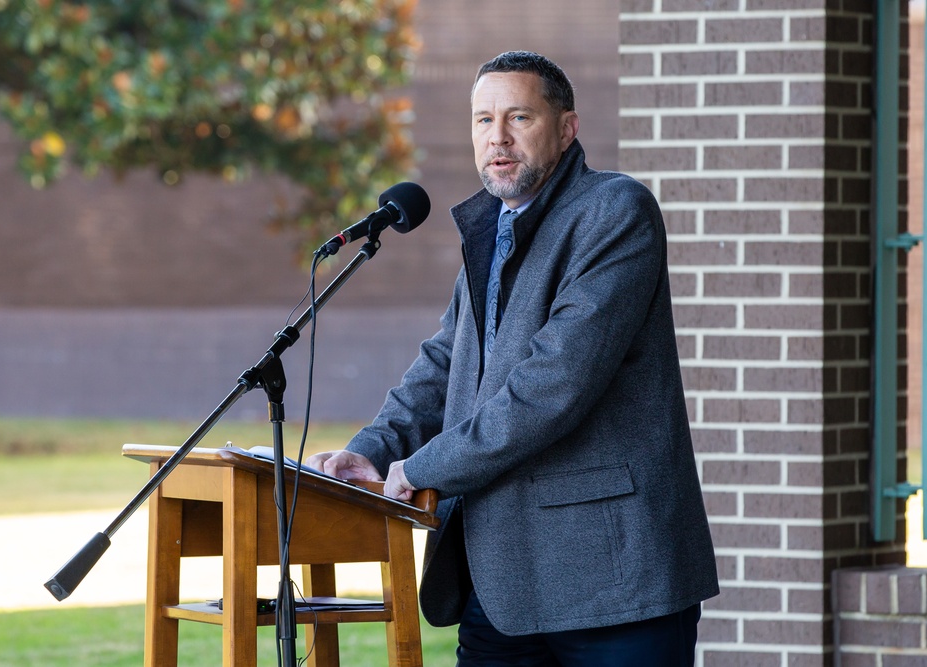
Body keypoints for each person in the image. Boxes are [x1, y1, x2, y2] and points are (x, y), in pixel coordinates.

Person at [306, 50, 719, 666]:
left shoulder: (614, 212)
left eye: (519, 117)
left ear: (566, 128)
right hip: (496, 582)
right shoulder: (493, 228)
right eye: (481, 120)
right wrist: (369, 452)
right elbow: (444, 365)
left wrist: (420, 468)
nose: (496, 137)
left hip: (612, 578)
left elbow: (553, 387)